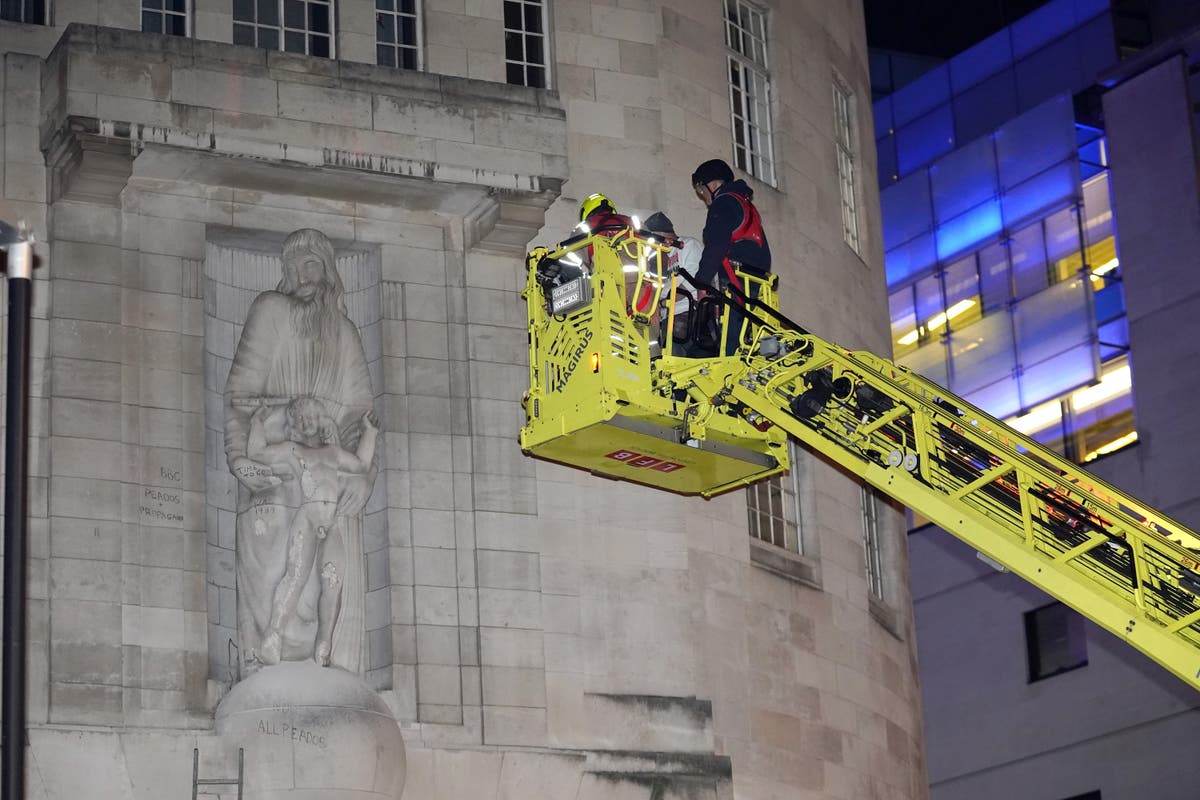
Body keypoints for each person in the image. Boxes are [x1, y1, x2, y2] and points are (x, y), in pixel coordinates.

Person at [224, 228, 377, 677]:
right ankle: (266, 662)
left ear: (328, 271)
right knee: (281, 576)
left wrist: (363, 480)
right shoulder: (270, 311)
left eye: (311, 263)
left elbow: (361, 418)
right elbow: (240, 394)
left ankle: (326, 661)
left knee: (327, 584)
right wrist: (240, 460)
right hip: (274, 463)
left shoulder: (346, 334)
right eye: (293, 266)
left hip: (331, 483)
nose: (301, 274)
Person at [248, 398, 379, 667]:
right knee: (295, 578)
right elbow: (257, 453)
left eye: (311, 417)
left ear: (320, 419)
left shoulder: (333, 453)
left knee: (333, 584)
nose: (307, 423)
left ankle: (324, 645)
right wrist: (256, 422)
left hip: (332, 523)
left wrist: (370, 433)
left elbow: (362, 465)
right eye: (302, 419)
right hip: (307, 519)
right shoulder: (294, 450)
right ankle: (272, 637)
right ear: (295, 424)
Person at [691, 158, 772, 354]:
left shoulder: (723, 203)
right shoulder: (743, 204)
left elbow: (716, 246)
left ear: (712, 184)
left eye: (702, 190)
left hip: (734, 281)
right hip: (754, 280)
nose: (703, 197)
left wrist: (702, 283)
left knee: (728, 344)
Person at [644, 211, 708, 355]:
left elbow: (694, 279)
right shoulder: (660, 259)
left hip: (689, 312)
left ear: (660, 233)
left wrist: (664, 300)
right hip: (668, 318)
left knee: (675, 358)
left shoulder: (689, 245)